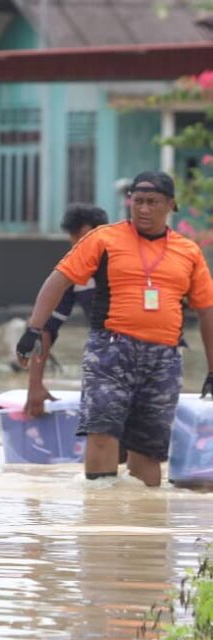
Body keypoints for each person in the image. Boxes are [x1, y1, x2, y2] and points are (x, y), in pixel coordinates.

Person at [16, 171, 213, 486]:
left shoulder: (188, 252)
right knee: (103, 433)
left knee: (148, 449)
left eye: (152, 202)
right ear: (129, 202)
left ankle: (142, 522)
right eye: (138, 201)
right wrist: (32, 330)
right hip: (110, 350)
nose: (144, 209)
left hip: (164, 358)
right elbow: (59, 279)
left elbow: (206, 313)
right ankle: (99, 518)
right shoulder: (104, 239)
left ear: (171, 205)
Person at [23, 204, 109, 417]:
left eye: (79, 236)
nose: (75, 244)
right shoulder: (74, 272)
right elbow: (46, 329)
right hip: (103, 353)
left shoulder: (128, 261)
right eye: (72, 237)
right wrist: (35, 385)